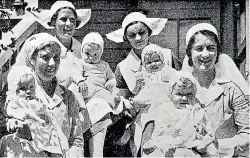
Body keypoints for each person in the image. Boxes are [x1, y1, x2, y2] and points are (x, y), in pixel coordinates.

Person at [37, 1, 112, 156]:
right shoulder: (44, 47)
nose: (68, 24)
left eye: (72, 20)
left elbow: (94, 76)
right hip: (52, 106)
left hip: (78, 105)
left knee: (100, 104)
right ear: (53, 22)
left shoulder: (83, 48)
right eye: (63, 19)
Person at [0, 33, 84, 157]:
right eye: (45, 57)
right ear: (32, 60)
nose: (52, 63)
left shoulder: (68, 96)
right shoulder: (17, 91)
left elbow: (76, 141)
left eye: (56, 58)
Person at [105, 12, 171, 157]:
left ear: (149, 31)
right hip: (141, 116)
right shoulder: (123, 67)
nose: (138, 38)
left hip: (171, 111)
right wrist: (129, 106)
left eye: (142, 32)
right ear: (126, 38)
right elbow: (121, 99)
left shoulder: (167, 55)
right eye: (132, 35)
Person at [182, 23, 249, 157]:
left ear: (217, 52)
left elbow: (248, 133)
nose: (205, 54)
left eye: (211, 48)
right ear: (189, 52)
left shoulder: (231, 91)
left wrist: (217, 146)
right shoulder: (181, 90)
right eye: (199, 48)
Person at [140, 73, 217, 157]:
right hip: (170, 140)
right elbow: (159, 129)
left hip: (191, 143)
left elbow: (208, 127)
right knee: (162, 144)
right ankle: (168, 151)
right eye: (179, 94)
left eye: (189, 95)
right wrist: (169, 131)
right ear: (170, 94)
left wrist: (206, 136)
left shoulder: (197, 111)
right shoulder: (165, 109)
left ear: (194, 95)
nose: (184, 98)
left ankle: (200, 148)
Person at [4, 65, 70, 156]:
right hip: (27, 132)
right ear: (14, 90)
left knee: (53, 143)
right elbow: (12, 114)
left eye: (31, 87)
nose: (28, 91)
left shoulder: (36, 101)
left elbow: (47, 117)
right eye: (22, 89)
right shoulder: (16, 103)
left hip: (42, 133)